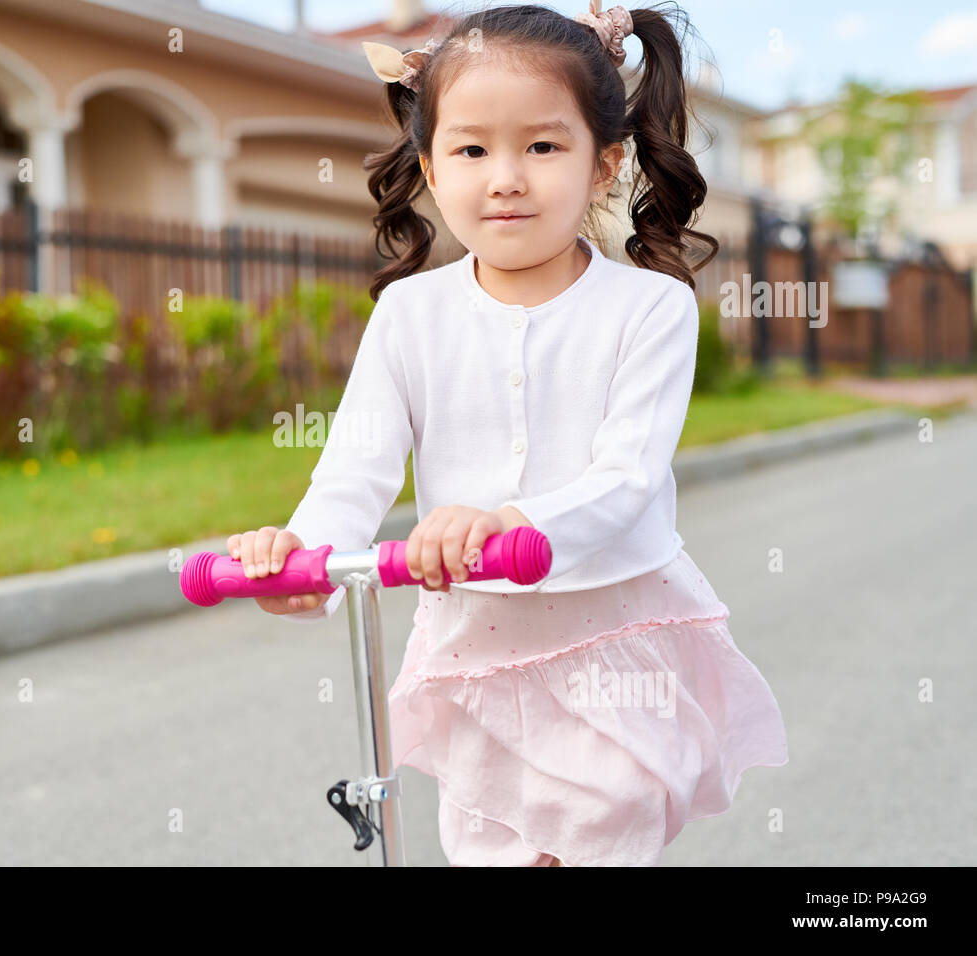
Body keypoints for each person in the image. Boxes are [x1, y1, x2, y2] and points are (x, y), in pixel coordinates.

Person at [227, 1, 788, 867]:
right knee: (490, 843)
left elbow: (628, 475)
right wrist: (304, 560)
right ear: (429, 165)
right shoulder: (410, 316)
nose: (506, 177)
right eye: (472, 149)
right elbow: (354, 472)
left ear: (604, 164)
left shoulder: (649, 309)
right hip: (476, 645)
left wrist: (513, 523)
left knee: (602, 827)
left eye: (543, 146)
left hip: (614, 635)